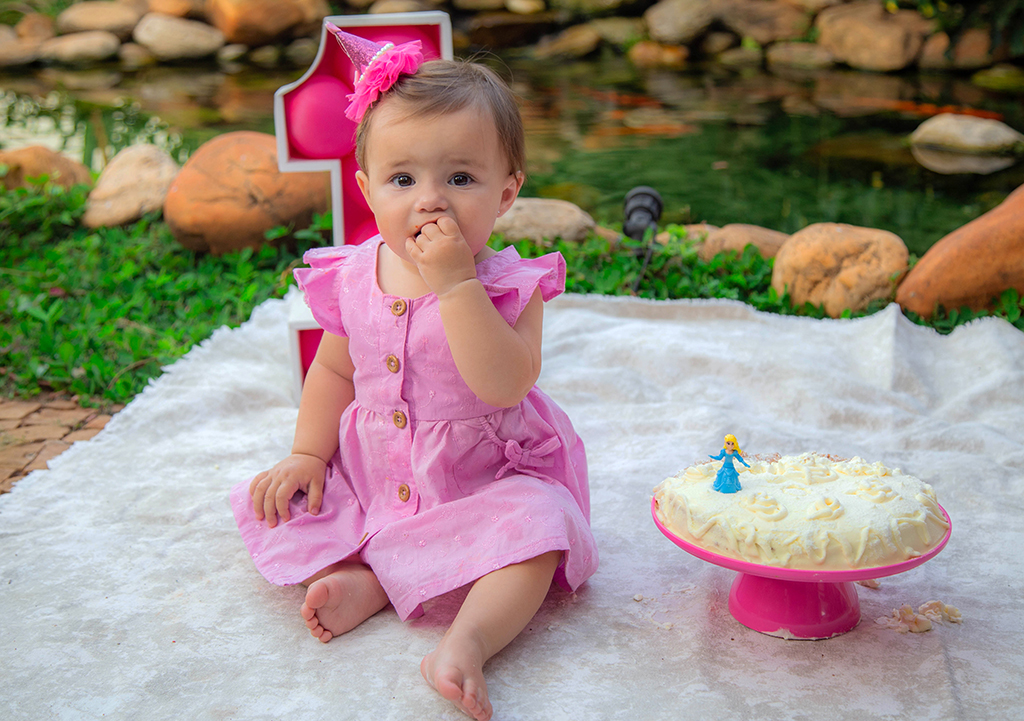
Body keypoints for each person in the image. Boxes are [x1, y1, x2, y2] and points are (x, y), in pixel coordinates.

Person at [228, 23, 598, 721]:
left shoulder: (510, 287)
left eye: (460, 178)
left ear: (507, 192)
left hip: (481, 479)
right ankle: (372, 576)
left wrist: (457, 286)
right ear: (368, 190)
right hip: (381, 473)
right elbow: (334, 369)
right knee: (293, 501)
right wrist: (308, 452)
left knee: (542, 527)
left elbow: (505, 384)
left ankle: (467, 640)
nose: (430, 200)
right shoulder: (354, 275)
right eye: (403, 179)